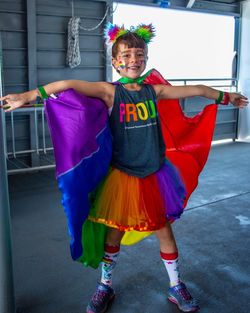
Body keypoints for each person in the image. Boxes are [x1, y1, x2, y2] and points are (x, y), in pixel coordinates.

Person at [0, 23, 248, 313]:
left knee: (164, 232)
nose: (133, 59)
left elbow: (196, 89)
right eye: (126, 55)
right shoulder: (109, 92)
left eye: (139, 54)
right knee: (114, 234)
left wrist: (224, 96)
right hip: (123, 177)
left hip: (155, 175)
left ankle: (175, 285)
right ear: (116, 61)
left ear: (145, 59)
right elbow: (67, 84)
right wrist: (28, 96)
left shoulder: (154, 92)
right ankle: (104, 286)